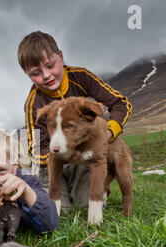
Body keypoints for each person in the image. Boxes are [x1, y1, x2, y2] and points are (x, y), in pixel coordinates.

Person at [17, 31, 132, 210]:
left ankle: (96, 190)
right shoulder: (33, 104)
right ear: (27, 75)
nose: (46, 75)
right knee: (60, 213)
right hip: (54, 162)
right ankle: (59, 189)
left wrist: (109, 133)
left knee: (87, 205)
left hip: (84, 157)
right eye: (36, 73)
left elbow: (121, 103)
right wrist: (63, 155)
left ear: (61, 57)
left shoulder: (81, 77)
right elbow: (37, 149)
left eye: (50, 65)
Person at [0, 127, 59, 234]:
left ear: (14, 168)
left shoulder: (25, 181)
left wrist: (27, 192)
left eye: (1, 170)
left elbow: (51, 225)